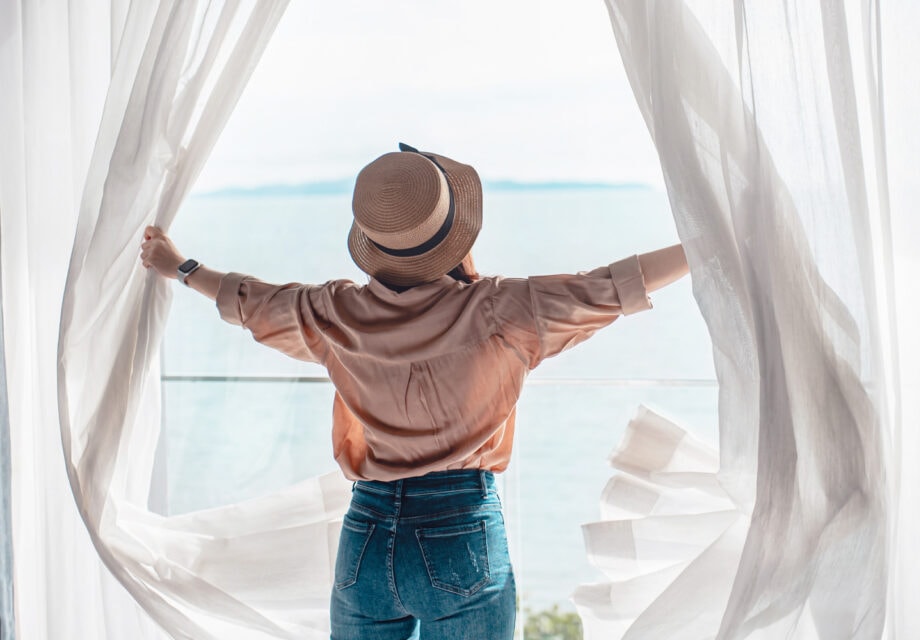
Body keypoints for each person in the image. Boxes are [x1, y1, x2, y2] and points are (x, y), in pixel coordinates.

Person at [139, 143, 689, 640]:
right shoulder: (502, 310)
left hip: (367, 537)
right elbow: (615, 285)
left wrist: (180, 266)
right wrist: (705, 245)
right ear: (452, 233)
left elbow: (250, 300)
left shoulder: (334, 313)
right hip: (461, 533)